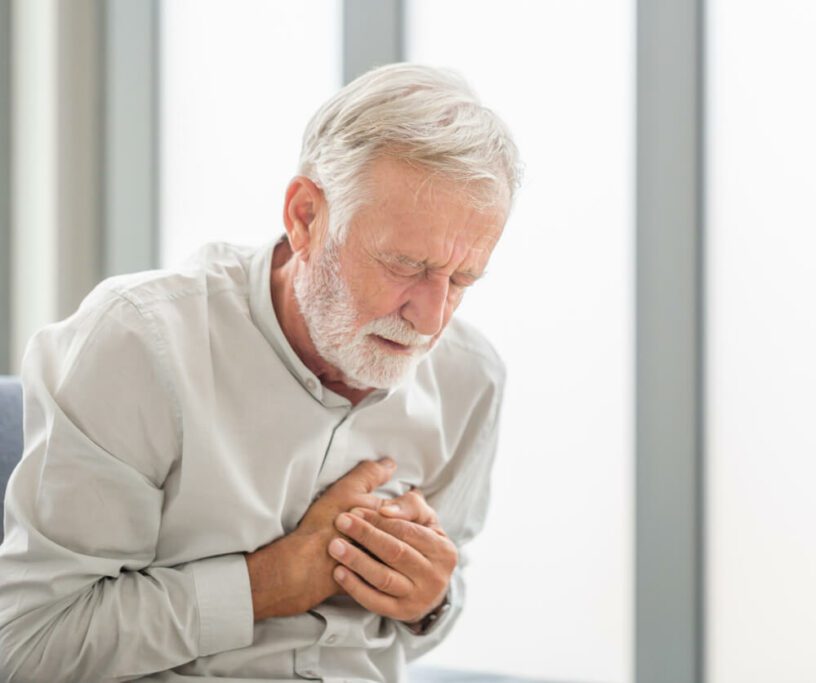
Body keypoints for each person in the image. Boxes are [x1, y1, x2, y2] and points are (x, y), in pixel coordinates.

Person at [0, 63, 520, 682]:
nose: (431, 318)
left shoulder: (471, 377)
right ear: (305, 218)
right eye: (404, 265)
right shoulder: (136, 344)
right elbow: (29, 647)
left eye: (462, 279)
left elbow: (430, 613)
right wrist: (270, 583)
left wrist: (429, 602)